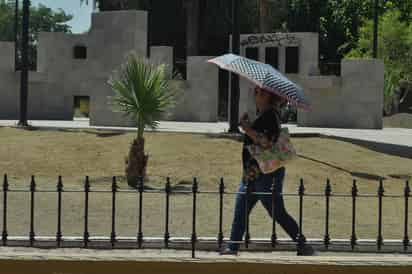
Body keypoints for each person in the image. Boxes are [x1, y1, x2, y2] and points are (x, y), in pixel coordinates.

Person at [220, 86, 314, 256]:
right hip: (252, 172)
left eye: (260, 92)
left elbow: (267, 142)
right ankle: (232, 247)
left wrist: (247, 129)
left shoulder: (272, 115)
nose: (256, 94)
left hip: (267, 174)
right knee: (241, 210)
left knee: (277, 212)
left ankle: (303, 244)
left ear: (269, 96)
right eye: (255, 91)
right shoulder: (263, 115)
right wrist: (248, 125)